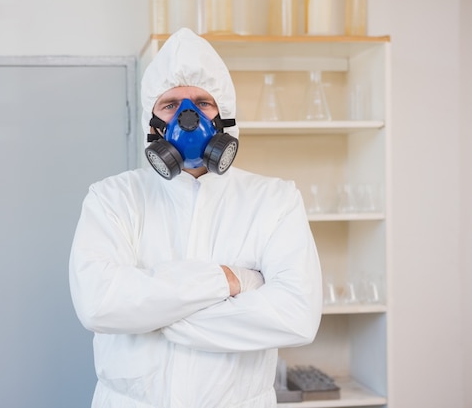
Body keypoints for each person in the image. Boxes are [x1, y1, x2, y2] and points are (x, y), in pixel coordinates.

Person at [69, 28, 322, 408]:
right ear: (150, 121)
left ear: (224, 115)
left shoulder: (274, 199)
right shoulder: (112, 199)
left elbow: (297, 315)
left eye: (203, 102)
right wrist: (232, 280)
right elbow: (98, 303)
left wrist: (153, 317)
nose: (189, 119)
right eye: (171, 105)